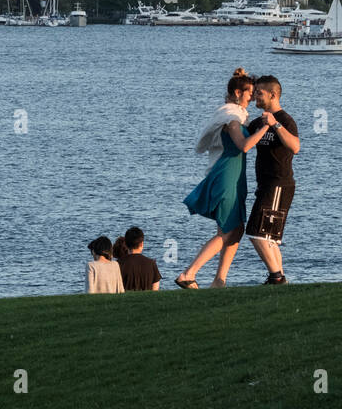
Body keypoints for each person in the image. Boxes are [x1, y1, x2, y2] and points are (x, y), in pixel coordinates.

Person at [176, 69, 263, 289]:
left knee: (235, 229)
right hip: (226, 176)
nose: (251, 97)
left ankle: (219, 281)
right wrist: (268, 127)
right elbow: (244, 145)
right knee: (230, 230)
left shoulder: (235, 115)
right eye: (249, 93)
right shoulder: (231, 118)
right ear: (237, 92)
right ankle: (189, 273)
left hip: (234, 176)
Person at [245, 75, 300, 284]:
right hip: (265, 184)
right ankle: (280, 278)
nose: (255, 97)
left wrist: (275, 124)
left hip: (279, 183)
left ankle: (276, 276)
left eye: (259, 93)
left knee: (256, 233)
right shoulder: (258, 121)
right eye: (254, 92)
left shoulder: (284, 120)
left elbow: (295, 146)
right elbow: (243, 139)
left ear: (273, 95)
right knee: (269, 238)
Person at [118, 226, 161, 291]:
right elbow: (155, 290)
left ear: (126, 245)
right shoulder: (151, 264)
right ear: (141, 244)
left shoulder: (118, 264)